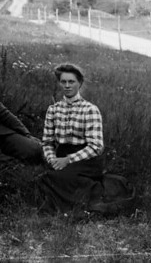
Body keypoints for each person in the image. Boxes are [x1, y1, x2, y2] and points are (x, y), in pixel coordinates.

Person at [38, 64, 133, 214]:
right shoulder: (53, 109)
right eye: (63, 82)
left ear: (80, 83)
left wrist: (68, 160)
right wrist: (52, 160)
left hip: (86, 159)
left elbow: (96, 146)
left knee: (62, 178)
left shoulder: (90, 109)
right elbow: (47, 142)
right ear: (59, 83)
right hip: (61, 155)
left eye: (71, 82)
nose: (67, 86)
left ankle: (88, 204)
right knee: (49, 176)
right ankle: (67, 207)